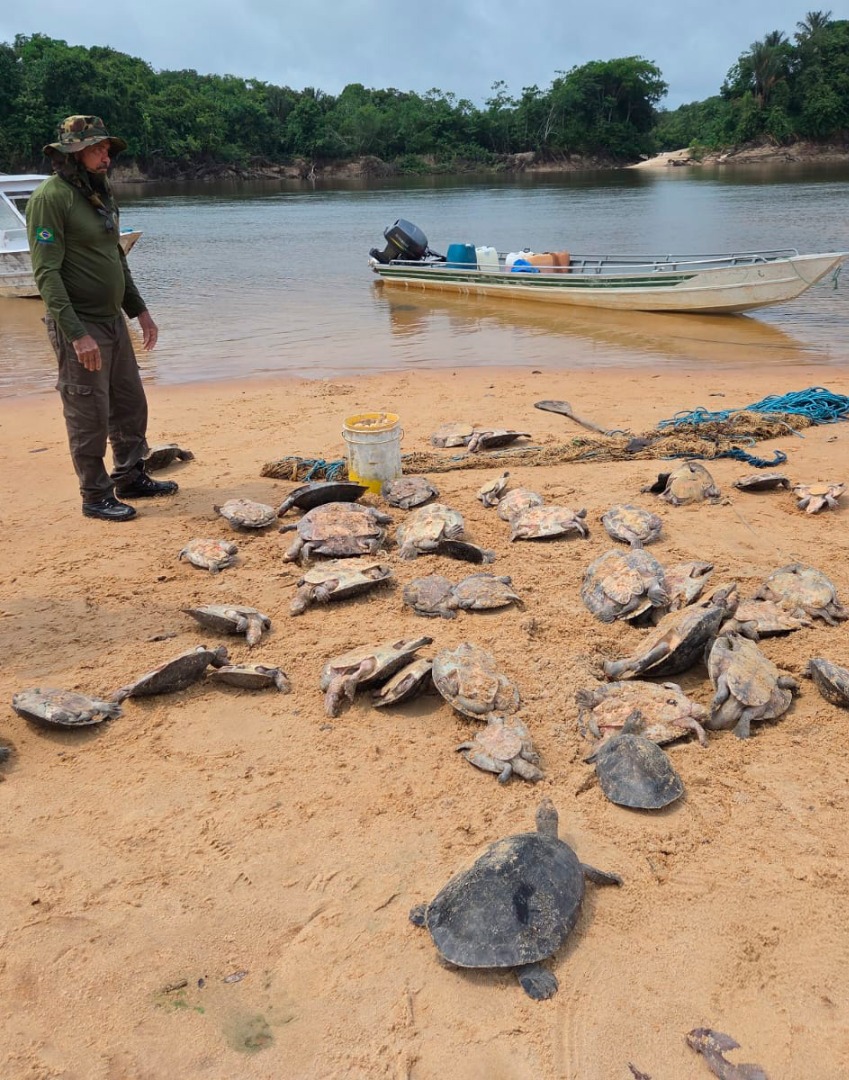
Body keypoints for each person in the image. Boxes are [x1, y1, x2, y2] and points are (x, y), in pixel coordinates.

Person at [25, 115, 178, 521]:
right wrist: (76, 334)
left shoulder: (100, 192)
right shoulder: (50, 198)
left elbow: (116, 257)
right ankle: (95, 495)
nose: (105, 154)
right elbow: (46, 274)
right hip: (80, 324)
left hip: (112, 320)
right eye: (96, 148)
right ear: (72, 154)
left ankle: (129, 476)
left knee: (130, 404)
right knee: (87, 412)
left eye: (106, 147)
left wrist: (140, 311)